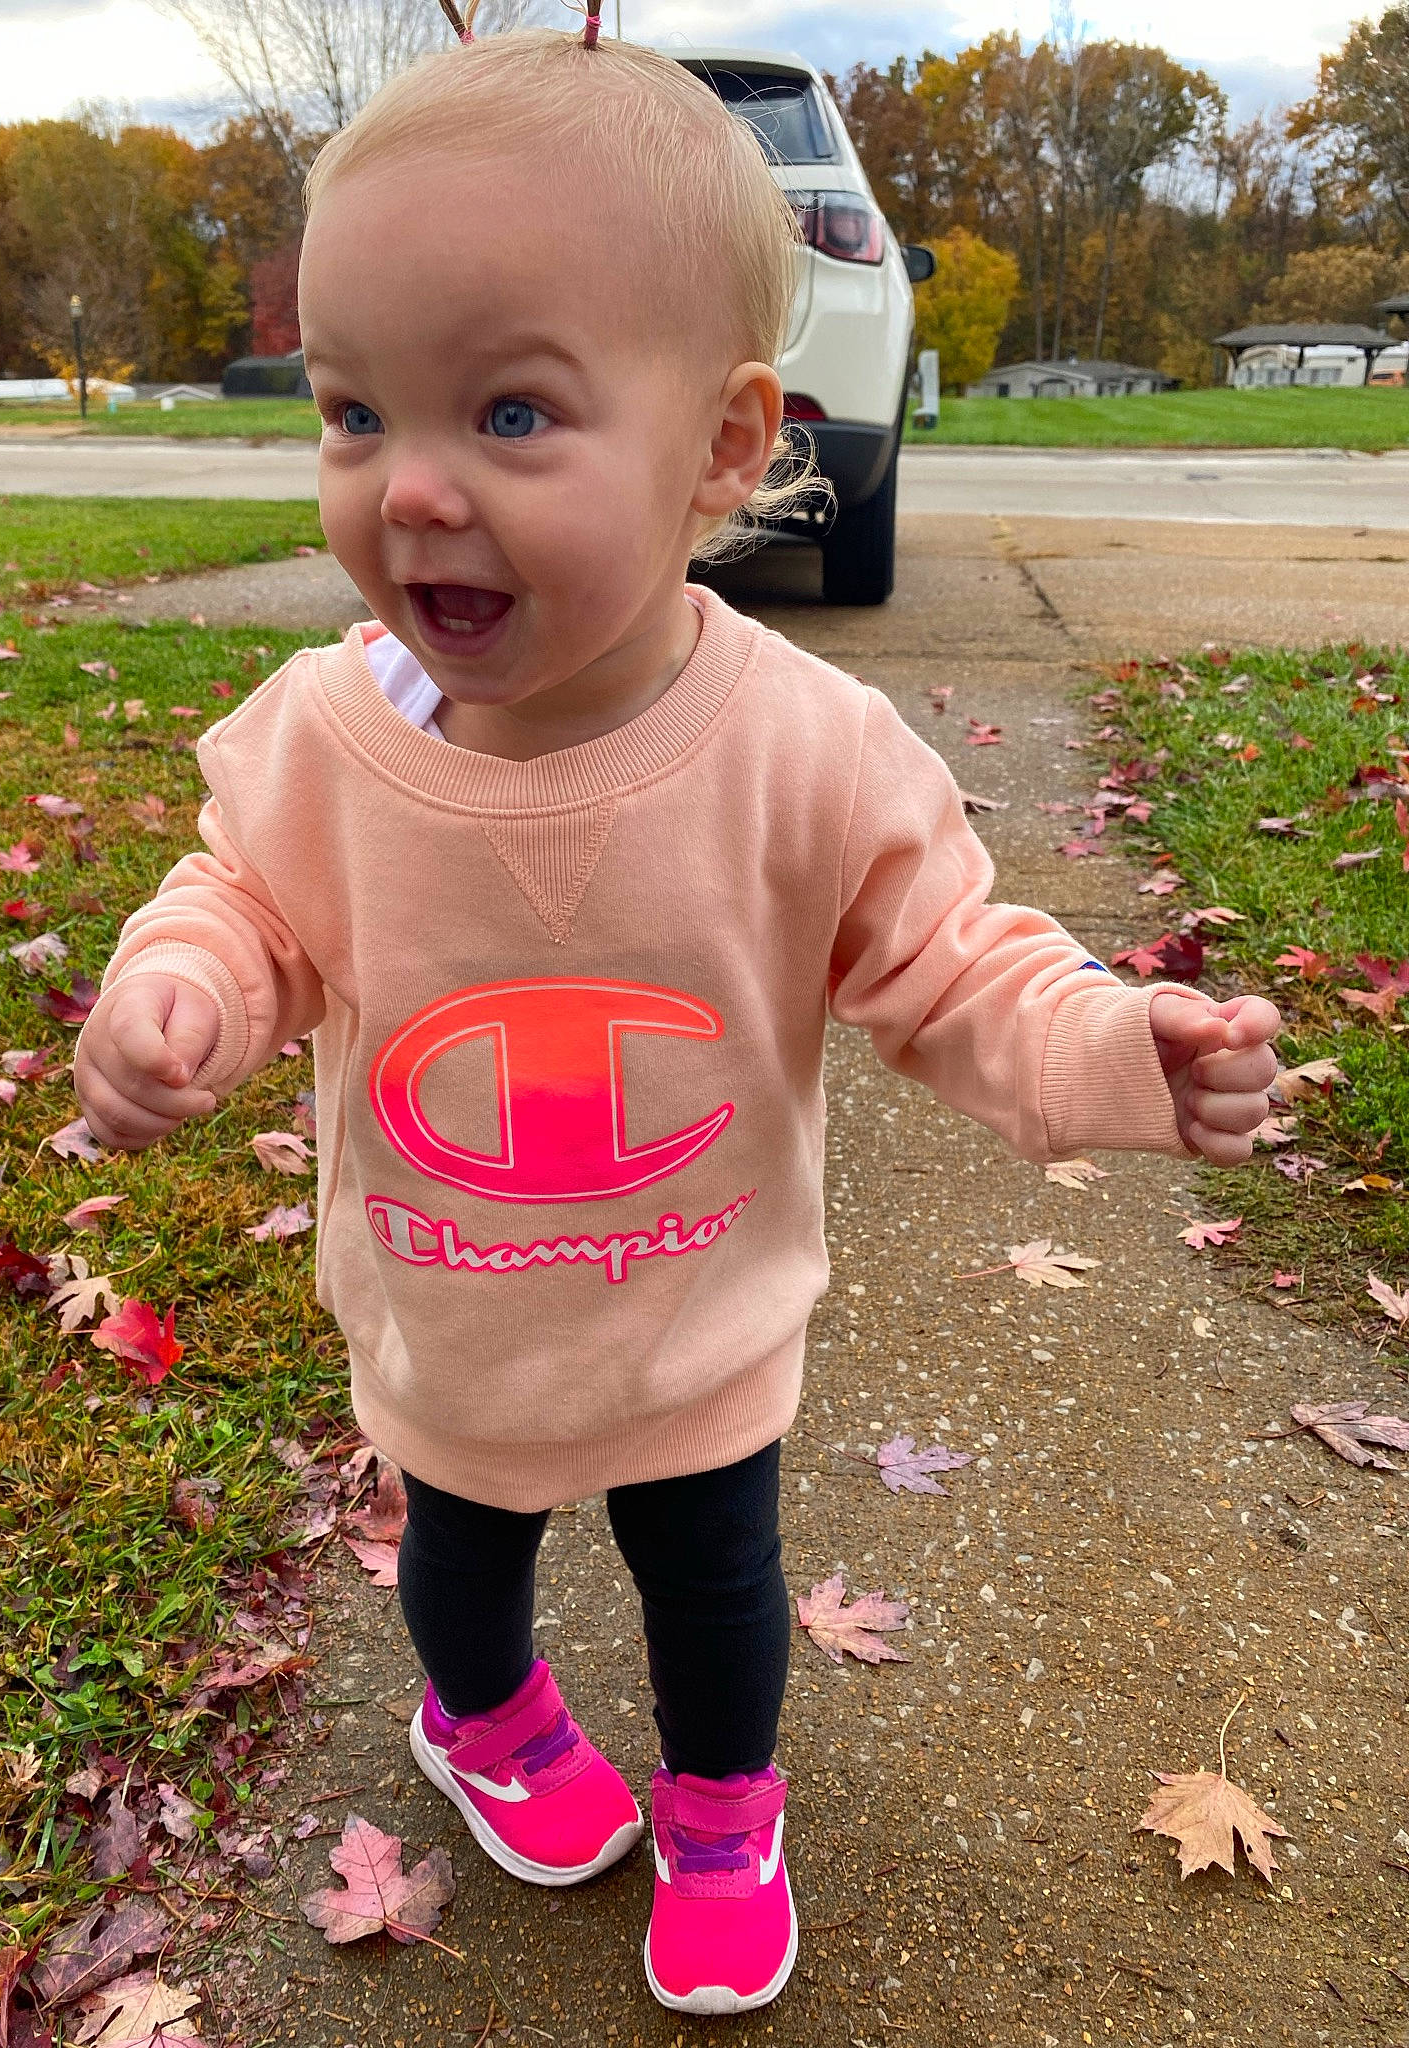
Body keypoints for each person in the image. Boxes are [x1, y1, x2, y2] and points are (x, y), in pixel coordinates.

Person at [73, 13, 1281, 2018]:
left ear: (727, 445)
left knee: (716, 1582)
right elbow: (249, 900)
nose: (414, 495)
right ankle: (486, 1717)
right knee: (459, 1558)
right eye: (357, 413)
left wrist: (1106, 1047)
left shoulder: (803, 753)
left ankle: (724, 1803)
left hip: (697, 1305)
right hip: (453, 1304)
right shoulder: (325, 739)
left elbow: (951, 964)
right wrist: (180, 984)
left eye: (513, 418)